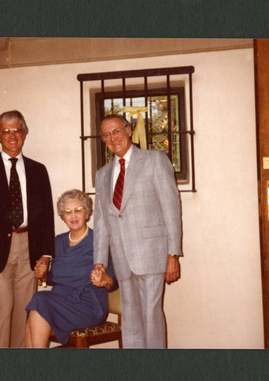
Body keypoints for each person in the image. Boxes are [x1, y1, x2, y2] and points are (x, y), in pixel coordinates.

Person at [0, 110, 55, 348]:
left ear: (24, 133)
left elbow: (46, 217)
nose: (12, 136)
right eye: (6, 131)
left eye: (17, 130)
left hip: (29, 248)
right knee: (2, 310)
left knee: (24, 311)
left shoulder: (38, 170)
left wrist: (46, 255)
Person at [93, 114, 182, 348]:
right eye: (106, 135)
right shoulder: (102, 175)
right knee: (131, 322)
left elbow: (171, 208)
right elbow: (101, 222)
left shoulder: (154, 160)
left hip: (152, 254)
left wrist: (172, 254)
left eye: (117, 131)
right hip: (122, 259)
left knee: (151, 316)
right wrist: (99, 262)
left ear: (129, 130)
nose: (113, 138)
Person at [25, 189, 117, 348]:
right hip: (60, 299)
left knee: (39, 302)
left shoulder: (99, 241)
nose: (73, 216)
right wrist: (43, 276)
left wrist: (104, 280)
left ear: (87, 213)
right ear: (63, 216)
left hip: (88, 305)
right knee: (37, 306)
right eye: (68, 212)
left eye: (78, 210)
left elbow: (113, 283)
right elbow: (53, 278)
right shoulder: (57, 242)